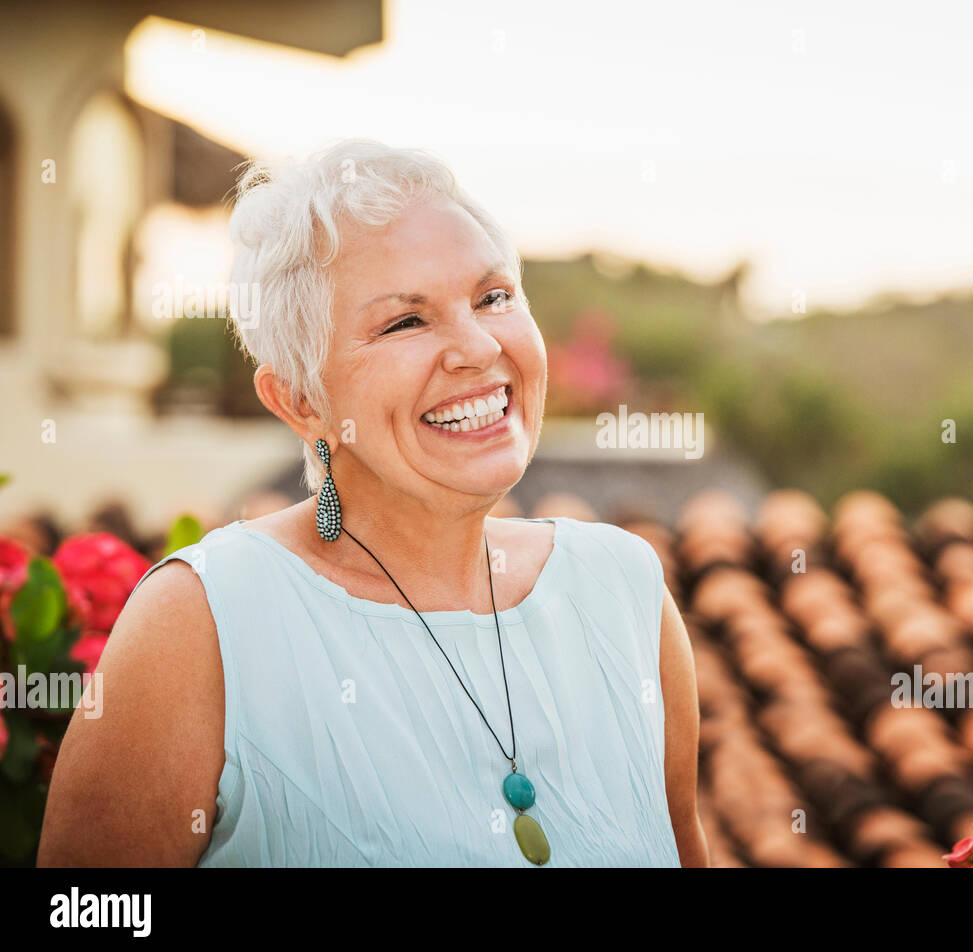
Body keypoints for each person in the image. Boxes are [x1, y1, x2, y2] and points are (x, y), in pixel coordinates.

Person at [38, 140, 709, 867]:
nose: (479, 347)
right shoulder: (203, 624)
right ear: (300, 401)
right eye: (405, 322)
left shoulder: (624, 592)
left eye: (493, 297)